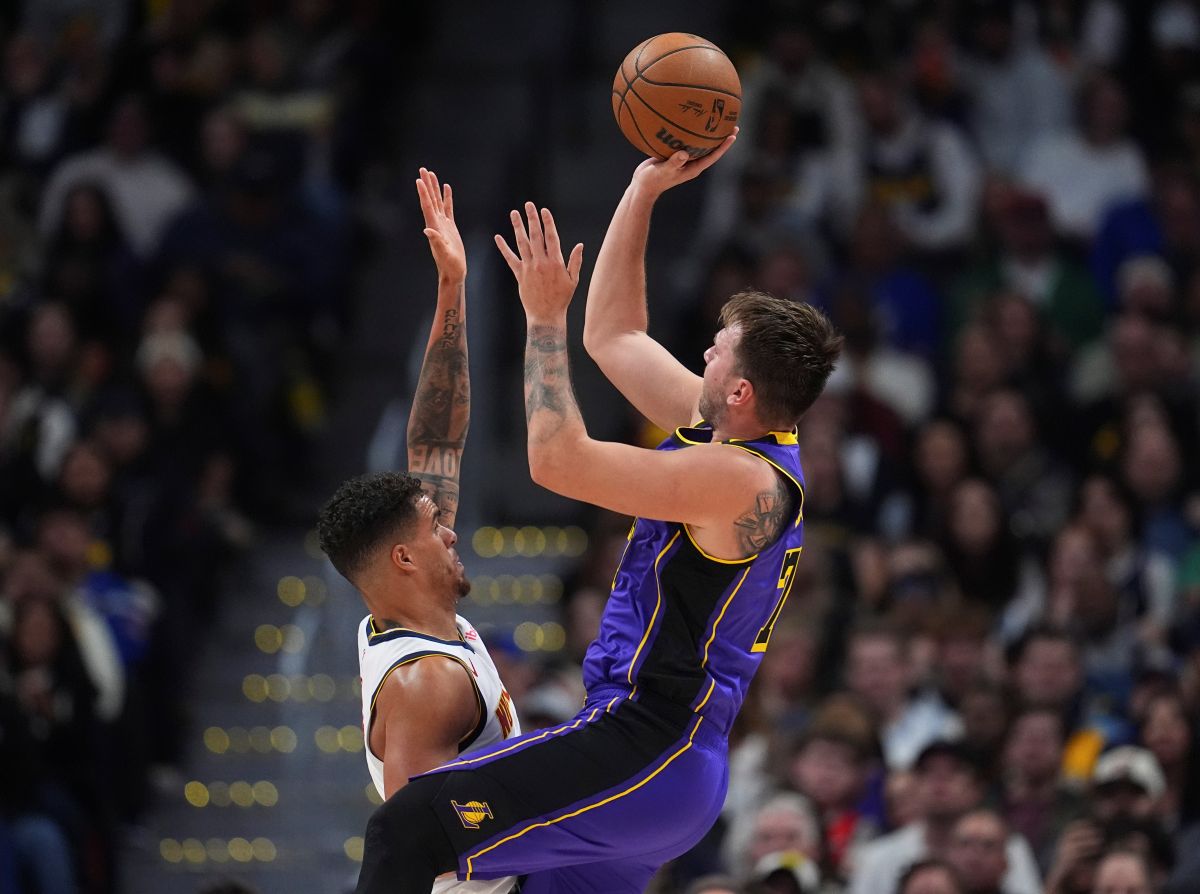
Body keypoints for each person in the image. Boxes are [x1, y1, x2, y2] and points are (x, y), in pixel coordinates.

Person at [354, 137, 842, 893]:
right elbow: (614, 335)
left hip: (648, 746)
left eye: (716, 352)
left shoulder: (741, 482)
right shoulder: (738, 440)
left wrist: (541, 318)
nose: (703, 357)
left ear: (741, 391)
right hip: (664, 766)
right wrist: (644, 189)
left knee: (407, 828)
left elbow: (556, 461)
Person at [316, 169, 519, 894]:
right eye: (438, 526)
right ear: (404, 556)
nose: (452, 530)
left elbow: (436, 438)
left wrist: (452, 289)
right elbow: (410, 850)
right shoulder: (425, 684)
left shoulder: (413, 628)